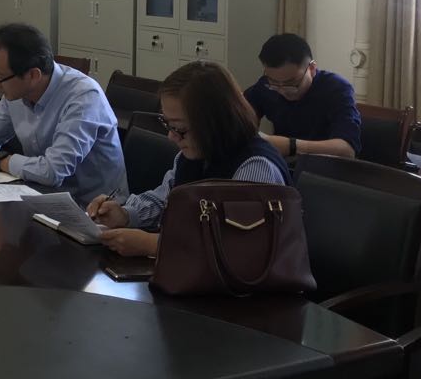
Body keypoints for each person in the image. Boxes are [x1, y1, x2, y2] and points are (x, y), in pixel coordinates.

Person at [87, 61, 291, 257]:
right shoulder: (195, 154)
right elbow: (165, 201)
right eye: (168, 124)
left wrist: (154, 245)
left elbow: (241, 249)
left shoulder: (255, 167)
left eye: (180, 128)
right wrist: (125, 215)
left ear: (215, 122)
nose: (171, 136)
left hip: (247, 280)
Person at [0, 23, 122, 204]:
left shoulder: (83, 97)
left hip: (95, 211)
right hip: (41, 196)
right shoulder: (16, 93)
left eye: (0, 76)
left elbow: (53, 171)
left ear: (33, 75)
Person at [243, 33, 360, 159]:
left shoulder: (337, 89)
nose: (282, 90)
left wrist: (290, 146)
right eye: (274, 82)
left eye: (291, 83)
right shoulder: (266, 86)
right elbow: (239, 113)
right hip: (283, 165)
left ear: (312, 68)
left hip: (322, 167)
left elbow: (347, 150)